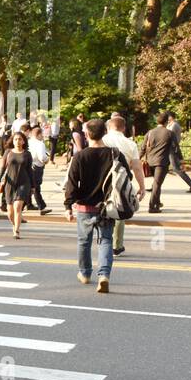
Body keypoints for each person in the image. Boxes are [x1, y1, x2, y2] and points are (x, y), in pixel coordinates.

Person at [64, 118, 129, 293]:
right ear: (105, 133)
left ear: (86, 134)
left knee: (84, 241)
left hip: (84, 207)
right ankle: (104, 275)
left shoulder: (80, 156)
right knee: (106, 240)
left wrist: (68, 206)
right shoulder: (114, 154)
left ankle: (85, 273)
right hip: (107, 207)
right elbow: (126, 176)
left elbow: (71, 183)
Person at [102, 115, 145, 255]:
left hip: (101, 179)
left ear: (109, 127)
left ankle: (103, 240)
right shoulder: (130, 144)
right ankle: (116, 244)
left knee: (100, 208)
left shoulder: (102, 140)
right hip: (121, 181)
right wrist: (142, 186)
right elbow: (137, 167)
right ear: (124, 128)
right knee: (119, 209)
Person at [0, 130, 34, 239]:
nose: (18, 141)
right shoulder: (8, 152)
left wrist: (33, 186)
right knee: (10, 212)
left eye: (20, 139)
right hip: (10, 183)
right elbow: (3, 167)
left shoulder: (27, 154)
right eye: (16, 139)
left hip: (23, 183)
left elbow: (30, 171)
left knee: (18, 207)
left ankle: (16, 231)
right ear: (13, 141)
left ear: (23, 141)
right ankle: (15, 224)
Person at [141, 112, 175, 212]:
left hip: (149, 162)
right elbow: (176, 148)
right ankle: (152, 207)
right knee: (157, 184)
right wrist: (181, 161)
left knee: (156, 183)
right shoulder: (169, 133)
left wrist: (137, 159)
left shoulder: (150, 132)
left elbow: (143, 148)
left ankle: (157, 202)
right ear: (166, 122)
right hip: (162, 163)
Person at [167, 116, 191, 193]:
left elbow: (171, 137)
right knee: (161, 168)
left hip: (171, 149)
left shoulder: (174, 125)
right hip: (169, 149)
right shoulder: (170, 125)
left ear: (171, 117)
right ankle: (154, 187)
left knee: (176, 168)